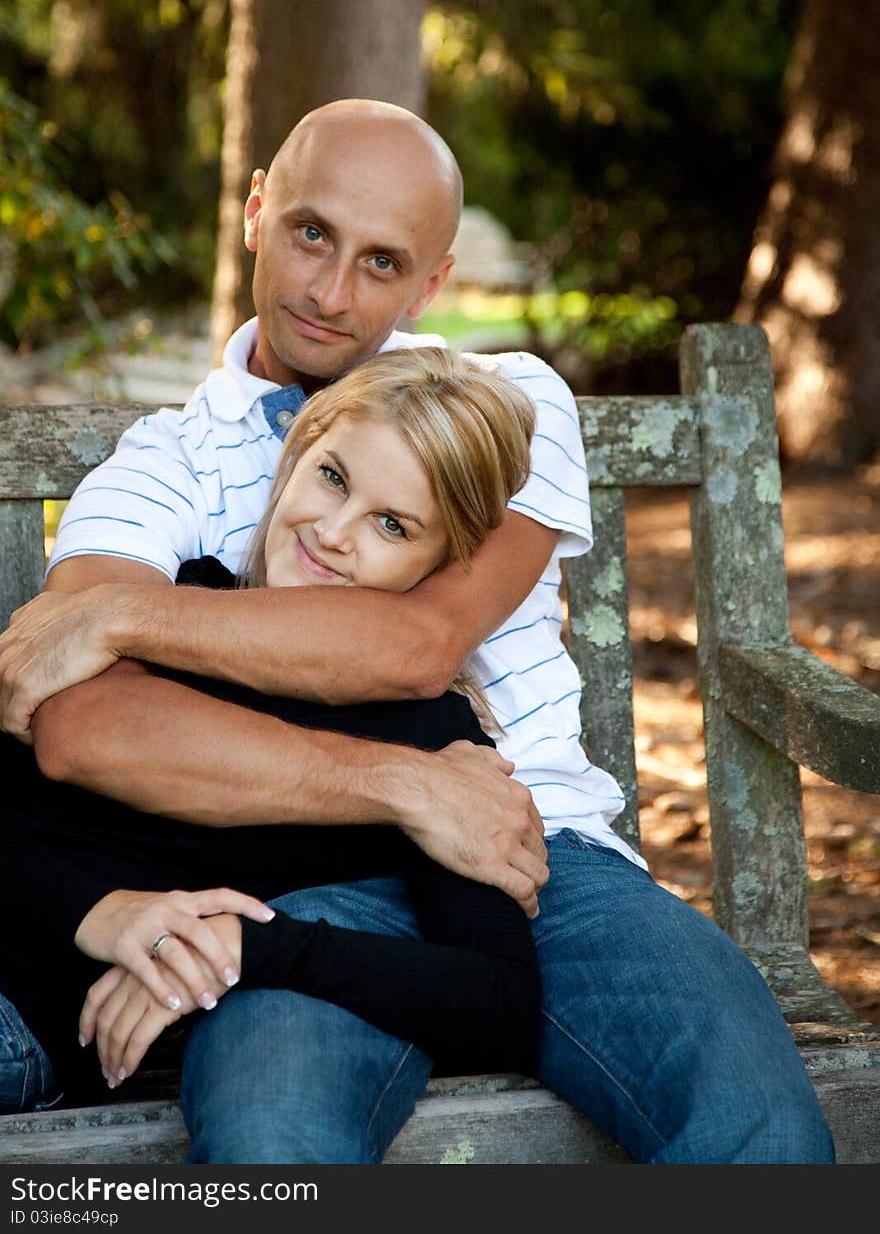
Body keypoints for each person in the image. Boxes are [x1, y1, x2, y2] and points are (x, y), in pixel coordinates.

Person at [0, 99, 834, 1162]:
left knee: (755, 1119)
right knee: (273, 1143)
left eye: (382, 261)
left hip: (539, 862)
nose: (330, 292)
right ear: (255, 211)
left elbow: (415, 646)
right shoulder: (162, 464)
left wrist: (120, 615)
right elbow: (79, 725)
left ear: (432, 281)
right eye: (310, 233)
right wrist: (406, 786)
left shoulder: (500, 408)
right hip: (281, 893)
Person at [0, 348, 541, 1102]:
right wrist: (96, 911)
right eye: (332, 477)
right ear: (298, 450)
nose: (334, 533)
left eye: (391, 524)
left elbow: (502, 1004)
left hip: (19, 1023)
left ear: (441, 561)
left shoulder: (429, 742)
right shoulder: (167, 615)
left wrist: (256, 949)